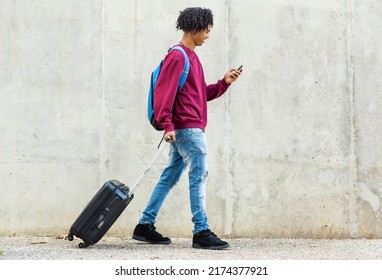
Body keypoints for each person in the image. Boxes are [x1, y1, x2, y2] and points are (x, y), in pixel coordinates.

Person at [133, 7, 242, 250]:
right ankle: (201, 231)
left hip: (187, 128)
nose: (208, 35)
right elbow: (164, 94)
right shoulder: (178, 56)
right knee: (199, 177)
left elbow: (199, 95)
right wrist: (168, 125)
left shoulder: (192, 58)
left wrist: (224, 83)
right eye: (206, 30)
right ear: (195, 28)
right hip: (188, 130)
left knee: (169, 177)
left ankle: (144, 226)